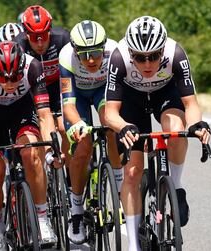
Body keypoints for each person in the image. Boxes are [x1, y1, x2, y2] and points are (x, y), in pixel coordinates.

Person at [104, 16, 211, 251]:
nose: (147, 64)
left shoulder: (176, 54)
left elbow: (190, 104)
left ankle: (176, 184)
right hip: (132, 100)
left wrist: (196, 125)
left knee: (175, 129)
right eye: (140, 58)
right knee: (132, 172)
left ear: (162, 49)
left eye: (153, 56)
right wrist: (123, 127)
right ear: (130, 53)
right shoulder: (118, 58)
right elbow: (110, 113)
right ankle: (134, 244)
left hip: (165, 94)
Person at [0, 41, 59, 250]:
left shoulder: (33, 66)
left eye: (15, 77)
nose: (9, 83)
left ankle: (41, 218)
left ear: (22, 68)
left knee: (32, 155)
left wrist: (51, 151)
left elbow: (45, 114)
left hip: (21, 110)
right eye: (3, 78)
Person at [59, 20, 121, 244]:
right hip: (77, 97)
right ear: (75, 51)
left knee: (111, 125)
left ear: (103, 48)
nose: (91, 60)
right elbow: (68, 105)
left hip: (102, 92)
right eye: (84, 55)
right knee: (82, 147)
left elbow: (118, 96)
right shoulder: (66, 56)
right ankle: (76, 211)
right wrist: (77, 125)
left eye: (96, 53)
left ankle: (119, 189)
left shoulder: (115, 51)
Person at [15, 5, 71, 169]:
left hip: (57, 87)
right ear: (26, 34)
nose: (40, 42)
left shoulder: (62, 38)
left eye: (44, 35)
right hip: (33, 91)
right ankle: (43, 174)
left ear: (50, 30)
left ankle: (66, 169)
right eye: (34, 37)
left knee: (64, 128)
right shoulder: (19, 46)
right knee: (38, 134)